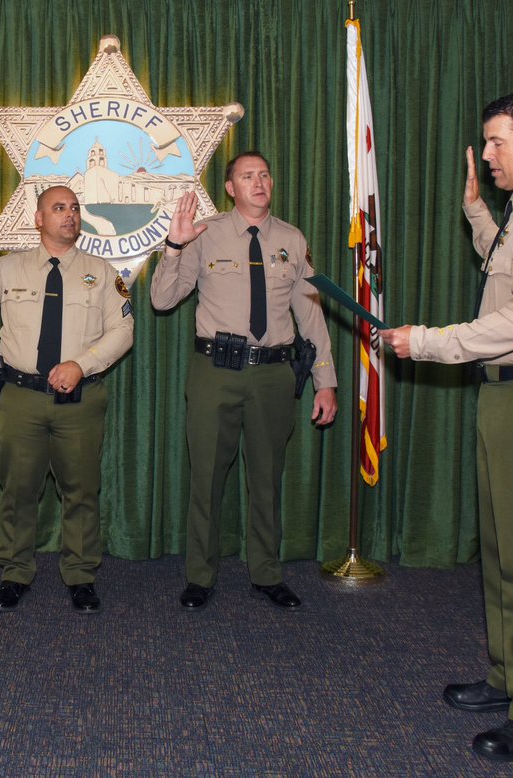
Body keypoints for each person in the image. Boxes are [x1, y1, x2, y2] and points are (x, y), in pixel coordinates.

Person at [381, 92, 513, 762]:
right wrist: (477, 215)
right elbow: (505, 274)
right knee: (501, 550)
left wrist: (430, 341)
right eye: (484, 145)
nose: (486, 157)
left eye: (496, 143)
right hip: (505, 397)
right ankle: (509, 677)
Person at [151, 151, 338, 611]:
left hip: (274, 373)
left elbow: (310, 315)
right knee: (207, 478)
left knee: (267, 478)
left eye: (265, 175)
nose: (259, 182)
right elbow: (161, 299)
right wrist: (174, 247)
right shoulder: (204, 234)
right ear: (230, 188)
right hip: (216, 370)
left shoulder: (292, 240)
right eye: (247, 176)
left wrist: (326, 380)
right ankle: (200, 575)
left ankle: (267, 573)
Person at [0, 185, 134, 614]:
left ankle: (82, 576)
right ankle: (14, 572)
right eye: (58, 208)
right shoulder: (8, 269)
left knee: (82, 491)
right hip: (21, 399)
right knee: (17, 490)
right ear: (38, 218)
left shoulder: (103, 272)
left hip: (80, 401)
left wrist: (81, 364)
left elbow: (123, 331)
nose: (69, 215)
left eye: (74, 208)